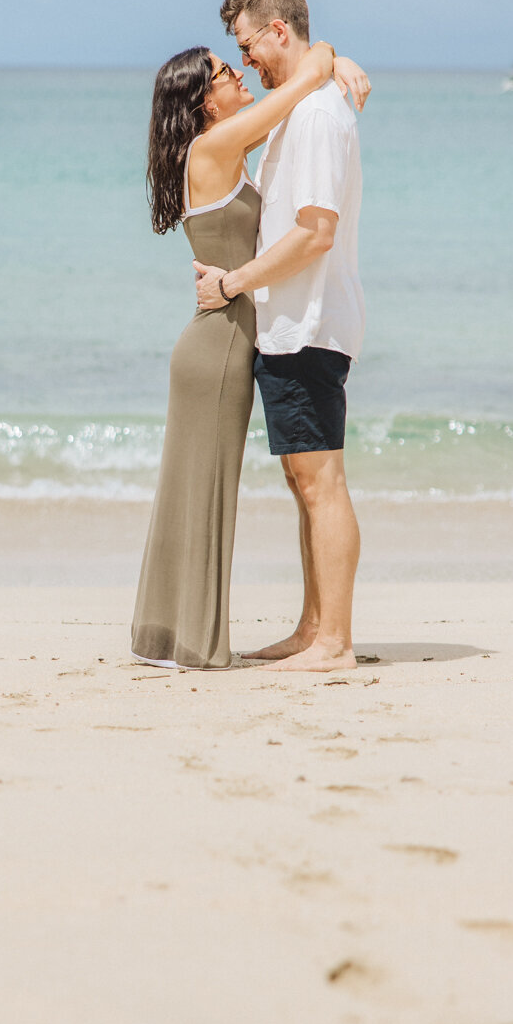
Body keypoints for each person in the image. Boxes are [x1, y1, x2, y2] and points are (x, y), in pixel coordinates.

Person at [131, 37, 369, 670]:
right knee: (202, 489)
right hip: (218, 343)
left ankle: (173, 636)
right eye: (223, 72)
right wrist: (327, 61)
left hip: (229, 336)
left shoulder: (224, 144)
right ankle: (191, 642)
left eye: (236, 61)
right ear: (203, 103)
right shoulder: (216, 145)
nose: (238, 74)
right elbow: (294, 90)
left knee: (199, 488)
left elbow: (297, 101)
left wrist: (332, 61)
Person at [194, 0, 365, 673]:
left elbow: (315, 233)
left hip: (311, 323)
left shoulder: (319, 117)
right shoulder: (299, 110)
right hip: (290, 324)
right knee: (305, 482)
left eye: (248, 48)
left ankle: (336, 642)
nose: (249, 65)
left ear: (277, 33)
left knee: (322, 483)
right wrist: (334, 57)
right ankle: (312, 626)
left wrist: (234, 282)